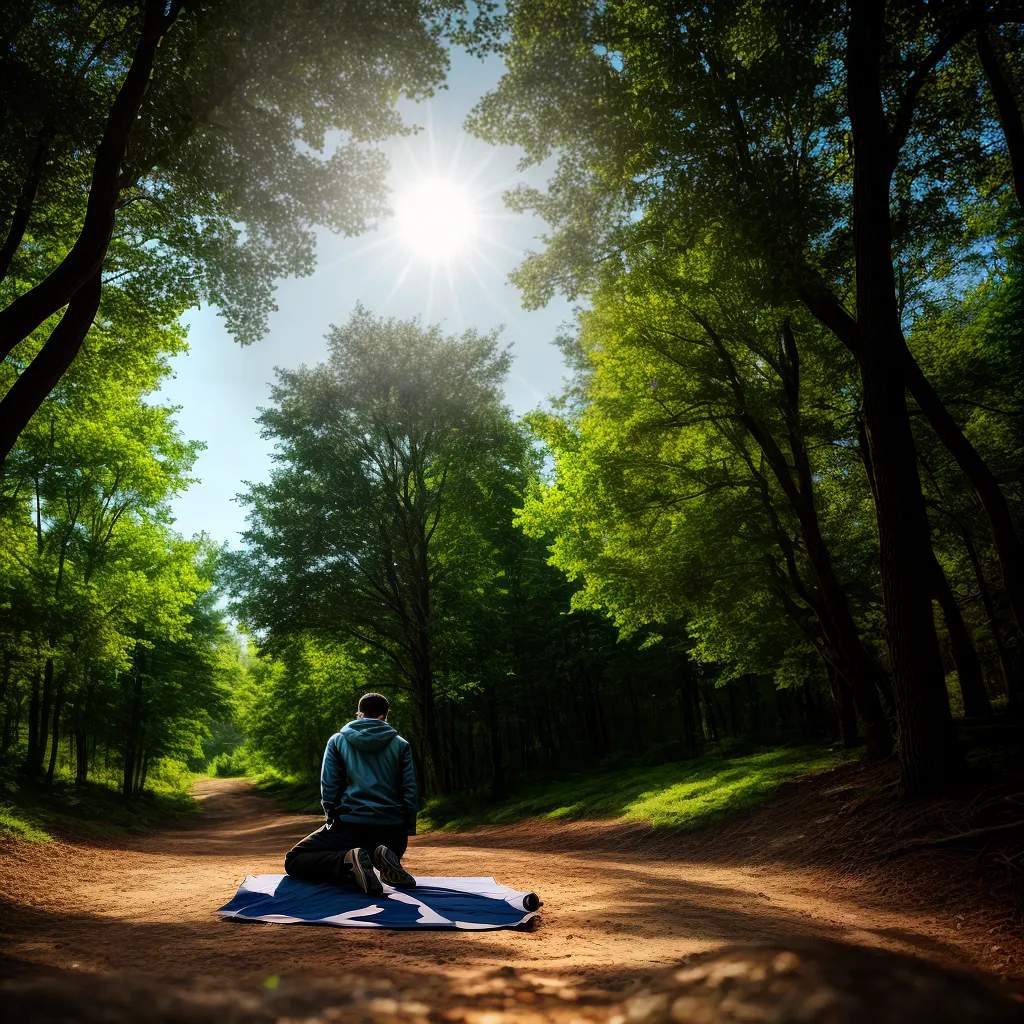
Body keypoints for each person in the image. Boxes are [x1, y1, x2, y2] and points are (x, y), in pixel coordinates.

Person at [284, 692, 418, 895]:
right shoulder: (401, 744)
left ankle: (348, 859)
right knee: (383, 848)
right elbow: (409, 790)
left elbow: (329, 787)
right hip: (394, 835)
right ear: (384, 716)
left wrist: (332, 819)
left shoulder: (337, 741)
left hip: (351, 827)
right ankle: (381, 857)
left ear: (360, 715)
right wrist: (405, 829)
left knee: (294, 860)